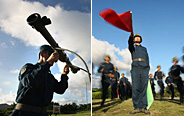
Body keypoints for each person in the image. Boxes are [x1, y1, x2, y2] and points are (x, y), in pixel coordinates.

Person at [10, 45, 69, 116]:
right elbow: (30, 82)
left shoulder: (49, 76)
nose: (53, 58)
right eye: (50, 54)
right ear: (42, 54)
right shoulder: (29, 68)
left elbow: (60, 89)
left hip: (43, 113)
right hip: (23, 113)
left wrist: (64, 75)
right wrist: (48, 63)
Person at [128, 33, 150, 114]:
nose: (137, 38)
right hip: (136, 68)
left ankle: (144, 107)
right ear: (134, 40)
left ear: (140, 39)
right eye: (135, 37)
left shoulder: (144, 49)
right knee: (136, 87)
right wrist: (130, 37)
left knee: (143, 87)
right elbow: (129, 43)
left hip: (144, 68)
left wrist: (147, 68)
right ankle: (137, 107)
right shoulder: (132, 48)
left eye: (138, 37)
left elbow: (147, 59)